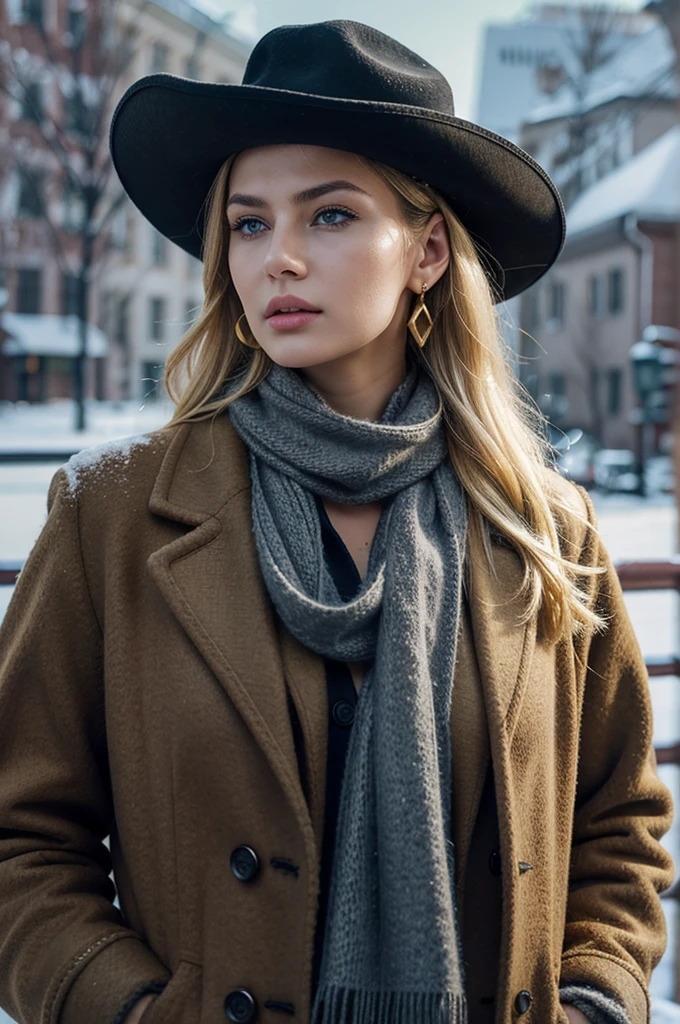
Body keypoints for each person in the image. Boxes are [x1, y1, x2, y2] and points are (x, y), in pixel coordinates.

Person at [0, 18, 674, 1024]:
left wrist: (591, 1002)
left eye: (327, 216)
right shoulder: (113, 516)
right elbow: (19, 839)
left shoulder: (543, 526)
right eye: (248, 222)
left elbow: (615, 826)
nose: (277, 258)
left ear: (428, 251)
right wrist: (133, 1010)